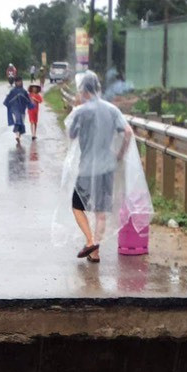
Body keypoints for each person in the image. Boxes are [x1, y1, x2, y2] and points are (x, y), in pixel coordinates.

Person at [65, 70, 132, 262]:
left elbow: (71, 135)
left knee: (77, 207)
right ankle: (95, 253)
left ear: (84, 91)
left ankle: (90, 241)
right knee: (100, 212)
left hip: (87, 167)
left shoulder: (81, 111)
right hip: (107, 168)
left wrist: (76, 109)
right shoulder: (112, 110)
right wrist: (120, 154)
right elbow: (127, 132)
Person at [4, 77, 32, 146]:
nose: (18, 83)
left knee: (21, 122)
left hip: (22, 109)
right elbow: (9, 99)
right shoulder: (12, 91)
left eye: (20, 81)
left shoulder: (24, 91)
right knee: (17, 121)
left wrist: (30, 105)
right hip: (15, 109)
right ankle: (17, 135)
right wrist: (8, 103)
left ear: (21, 82)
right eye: (17, 82)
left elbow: (27, 100)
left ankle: (19, 135)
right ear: (15, 82)